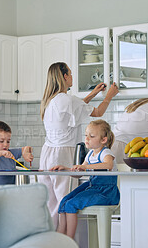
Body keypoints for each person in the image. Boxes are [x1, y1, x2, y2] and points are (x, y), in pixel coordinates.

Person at [39, 62, 119, 228]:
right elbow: (97, 112)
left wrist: (93, 93)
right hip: (64, 152)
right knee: (67, 201)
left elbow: (77, 106)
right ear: (65, 77)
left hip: (47, 153)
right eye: (70, 73)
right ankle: (68, 242)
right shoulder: (68, 100)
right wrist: (109, 95)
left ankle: (51, 241)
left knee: (51, 204)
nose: (72, 76)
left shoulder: (50, 100)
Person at [51, 120, 120, 239]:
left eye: (92, 136)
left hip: (106, 192)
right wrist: (67, 169)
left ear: (103, 140)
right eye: (86, 135)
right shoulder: (90, 154)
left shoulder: (105, 153)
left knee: (72, 204)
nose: (87, 138)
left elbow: (108, 165)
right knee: (64, 201)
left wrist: (85, 167)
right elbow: (79, 173)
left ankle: (69, 240)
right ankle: (60, 236)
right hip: (93, 187)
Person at [0, 121, 34, 185]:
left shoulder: (11, 153)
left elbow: (26, 148)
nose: (5, 144)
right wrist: (1, 153)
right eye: (1, 141)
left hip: (10, 190)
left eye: (8, 141)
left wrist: (26, 152)